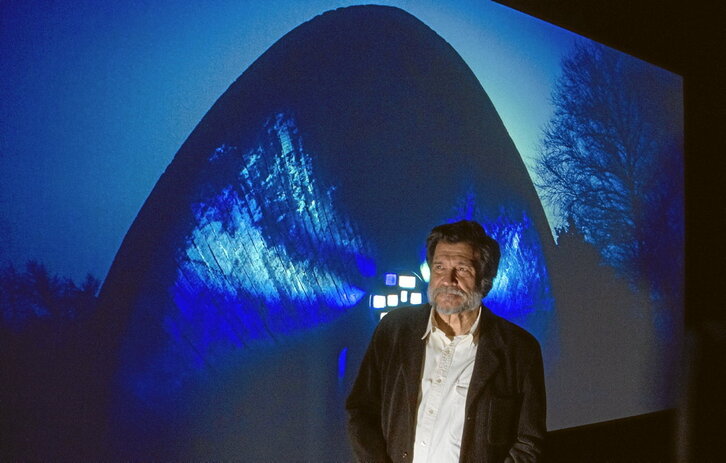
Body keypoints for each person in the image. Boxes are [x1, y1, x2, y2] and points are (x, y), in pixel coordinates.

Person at [346, 220, 546, 463]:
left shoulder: (519, 349)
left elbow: (528, 443)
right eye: (439, 267)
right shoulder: (394, 330)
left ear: (486, 280)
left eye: (462, 269)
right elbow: (361, 411)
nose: (448, 280)